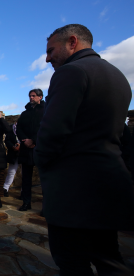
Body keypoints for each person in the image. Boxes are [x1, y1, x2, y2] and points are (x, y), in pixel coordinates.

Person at [34, 24, 134, 275]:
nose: (47, 58)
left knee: (71, 260)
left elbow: (53, 130)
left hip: (74, 189)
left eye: (50, 50)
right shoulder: (118, 76)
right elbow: (122, 135)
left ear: (72, 42)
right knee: (109, 258)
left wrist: (43, 162)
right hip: (109, 183)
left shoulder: (71, 72)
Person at [16, 88, 45, 211]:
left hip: (41, 148)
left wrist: (33, 140)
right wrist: (25, 140)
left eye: (33, 96)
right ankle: (26, 203)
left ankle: (46, 207)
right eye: (30, 96)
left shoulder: (46, 111)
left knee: (44, 179)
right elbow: (19, 129)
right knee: (26, 179)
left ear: (40, 97)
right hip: (26, 149)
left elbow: (46, 128)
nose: (31, 98)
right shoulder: (25, 113)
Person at [3, 120, 20, 197]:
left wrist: (21, 146)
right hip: (13, 153)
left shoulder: (25, 128)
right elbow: (7, 140)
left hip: (23, 153)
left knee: (25, 173)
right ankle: (5, 188)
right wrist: (13, 147)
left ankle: (24, 191)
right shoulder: (10, 129)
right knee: (11, 172)